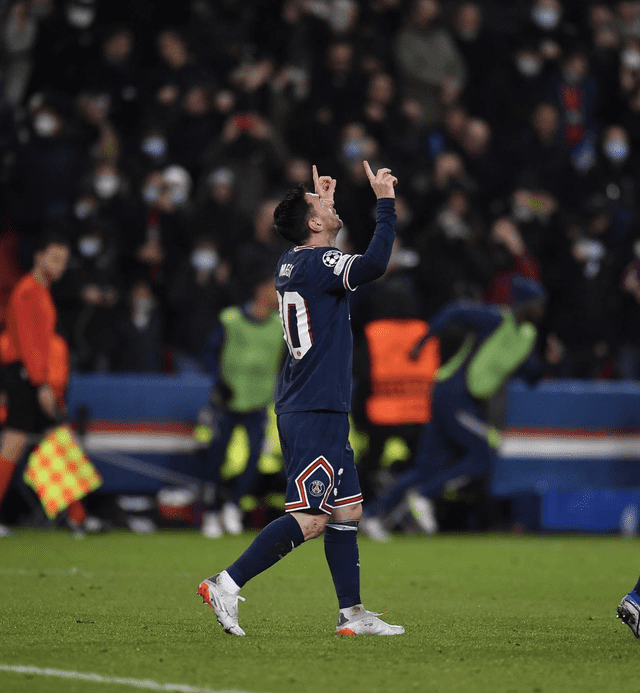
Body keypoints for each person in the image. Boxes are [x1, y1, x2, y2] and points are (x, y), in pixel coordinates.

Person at [197, 161, 405, 637]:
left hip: (310, 402)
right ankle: (226, 583)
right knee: (310, 520)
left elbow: (327, 254)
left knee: (347, 510)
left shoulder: (293, 261)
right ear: (312, 224)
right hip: (316, 407)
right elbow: (372, 265)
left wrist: (323, 204)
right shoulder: (317, 263)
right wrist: (386, 203)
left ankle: (352, 615)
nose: (328, 205)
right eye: (320, 206)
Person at [360, 278, 548, 541]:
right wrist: (422, 341)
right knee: (486, 450)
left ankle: (372, 515)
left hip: (465, 400)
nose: (541, 310)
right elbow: (455, 310)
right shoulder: (495, 320)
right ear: (525, 305)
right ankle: (424, 495)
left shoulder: (527, 336)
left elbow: (529, 376)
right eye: (537, 305)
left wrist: (548, 362)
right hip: (453, 392)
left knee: (426, 468)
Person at [0, 232, 90, 536]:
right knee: (16, 445)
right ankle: (78, 518)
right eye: (54, 258)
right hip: (25, 376)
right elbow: (28, 342)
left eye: (63, 260)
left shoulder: (40, 290)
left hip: (30, 375)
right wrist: (41, 384)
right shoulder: (28, 290)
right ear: (38, 257)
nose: (59, 265)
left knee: (55, 443)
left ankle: (78, 518)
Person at [198, 269, 286, 538]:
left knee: (254, 459)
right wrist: (219, 382)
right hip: (227, 402)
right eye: (274, 287)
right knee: (216, 459)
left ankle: (234, 507)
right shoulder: (231, 319)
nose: (278, 292)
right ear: (259, 289)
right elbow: (209, 355)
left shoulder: (280, 324)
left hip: (258, 402)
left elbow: (286, 363)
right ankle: (211, 512)